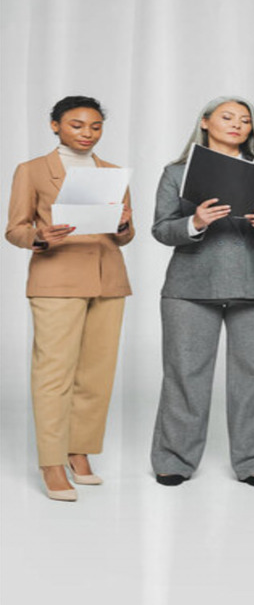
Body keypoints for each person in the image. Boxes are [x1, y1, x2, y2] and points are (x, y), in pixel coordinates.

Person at [150, 96, 254, 487]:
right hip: (189, 287)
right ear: (204, 122)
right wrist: (195, 222)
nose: (237, 125)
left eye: (245, 120)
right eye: (227, 117)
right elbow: (162, 229)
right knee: (185, 375)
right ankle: (174, 460)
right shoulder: (176, 172)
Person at [5, 96, 134, 501]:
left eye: (95, 126)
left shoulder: (112, 172)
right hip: (56, 279)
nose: (87, 134)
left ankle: (79, 451)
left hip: (107, 279)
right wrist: (40, 236)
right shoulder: (32, 171)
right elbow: (15, 229)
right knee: (54, 375)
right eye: (77, 125)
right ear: (55, 126)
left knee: (96, 375)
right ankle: (51, 462)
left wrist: (125, 224)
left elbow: (126, 236)